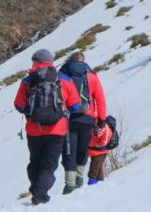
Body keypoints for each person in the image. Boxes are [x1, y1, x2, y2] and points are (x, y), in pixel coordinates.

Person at [14, 49, 81, 206]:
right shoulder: (63, 79)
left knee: (34, 163)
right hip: (57, 130)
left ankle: (38, 190)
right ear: (50, 61)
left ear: (36, 62)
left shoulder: (27, 81)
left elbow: (18, 105)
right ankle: (40, 194)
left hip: (34, 130)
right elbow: (76, 104)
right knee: (48, 166)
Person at [58, 52, 107, 194]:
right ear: (84, 61)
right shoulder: (92, 76)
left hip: (69, 118)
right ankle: (79, 179)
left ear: (70, 61)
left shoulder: (63, 76)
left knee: (69, 150)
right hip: (88, 118)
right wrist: (102, 121)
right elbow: (100, 99)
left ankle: (69, 184)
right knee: (83, 149)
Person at [88, 121, 113, 185]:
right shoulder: (92, 123)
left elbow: (106, 136)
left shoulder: (103, 125)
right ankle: (99, 184)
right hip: (95, 151)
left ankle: (92, 183)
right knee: (98, 168)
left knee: (94, 169)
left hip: (100, 151)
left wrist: (99, 145)